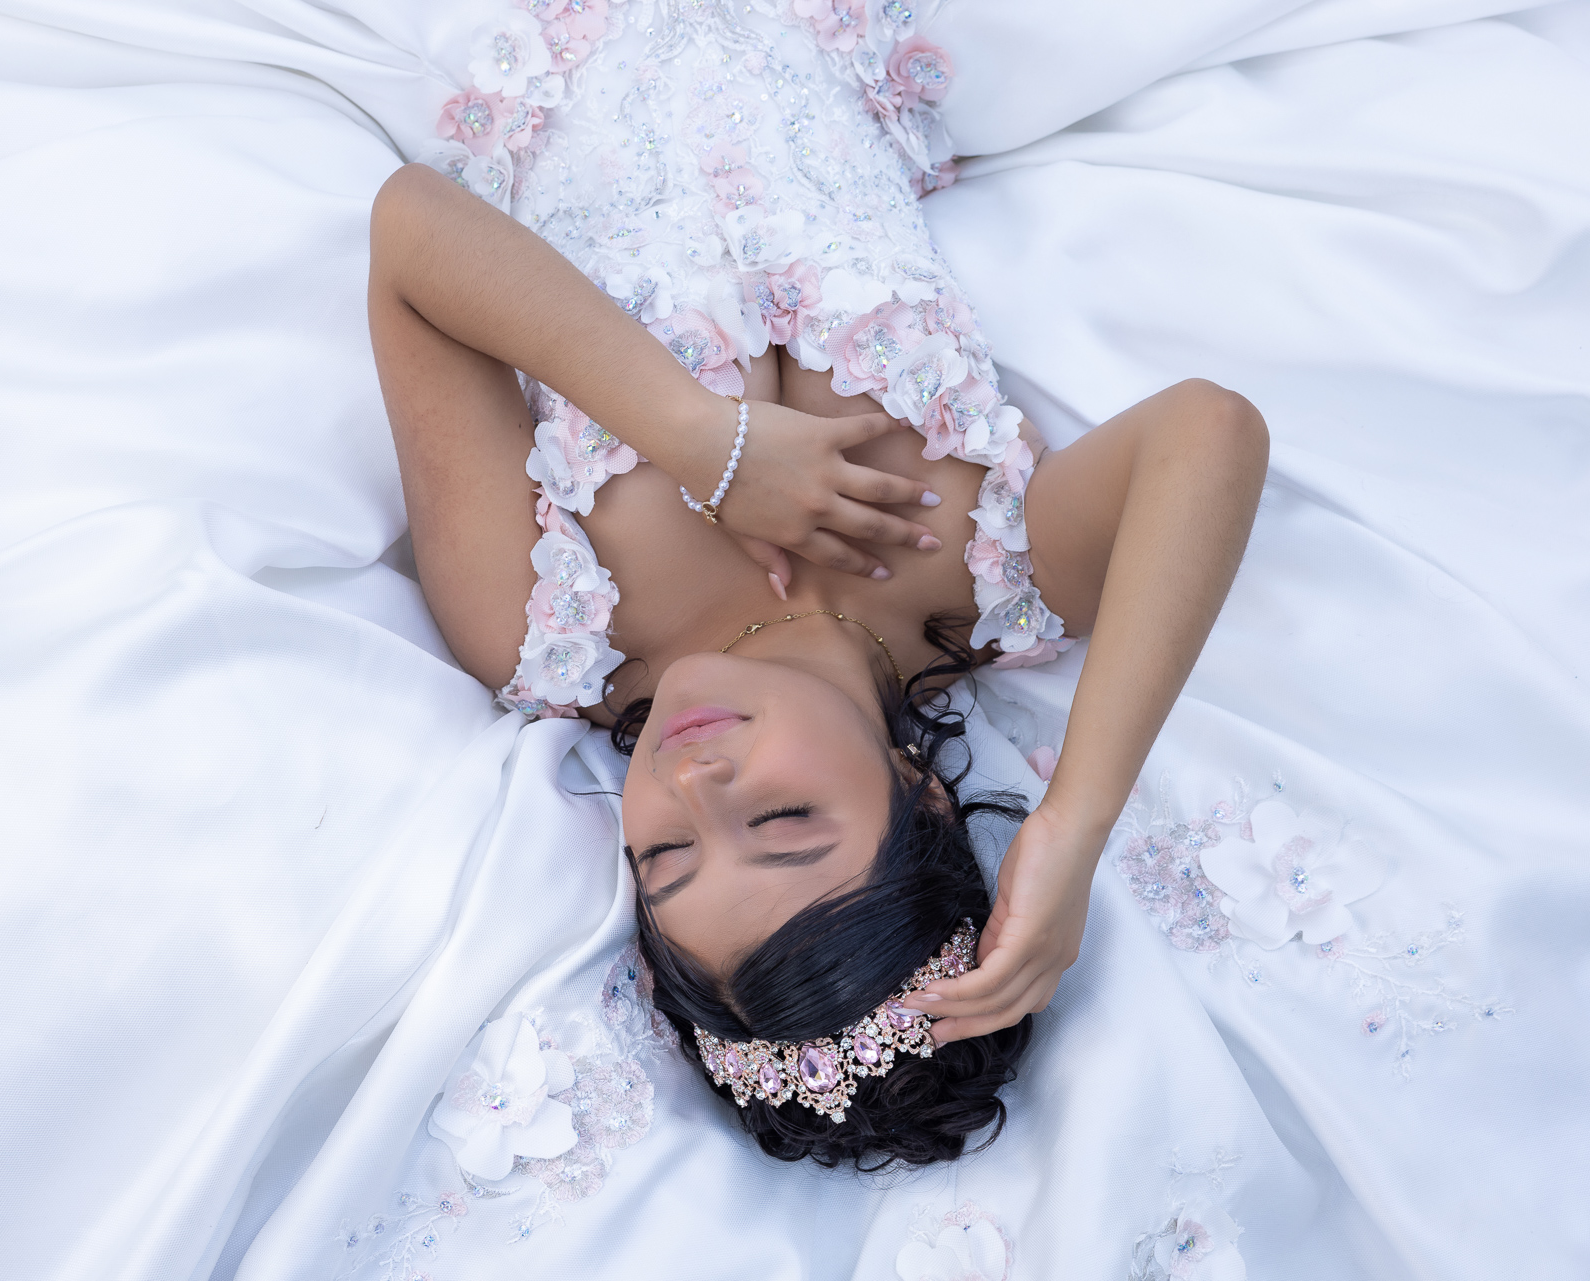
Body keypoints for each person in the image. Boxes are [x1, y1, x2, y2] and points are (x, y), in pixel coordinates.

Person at [368, 2, 1266, 1170]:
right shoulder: (985, 580)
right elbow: (1208, 436)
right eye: (781, 821)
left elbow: (412, 232)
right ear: (921, 793)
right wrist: (1075, 822)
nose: (694, 782)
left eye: (668, 858)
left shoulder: (548, 629)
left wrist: (701, 442)